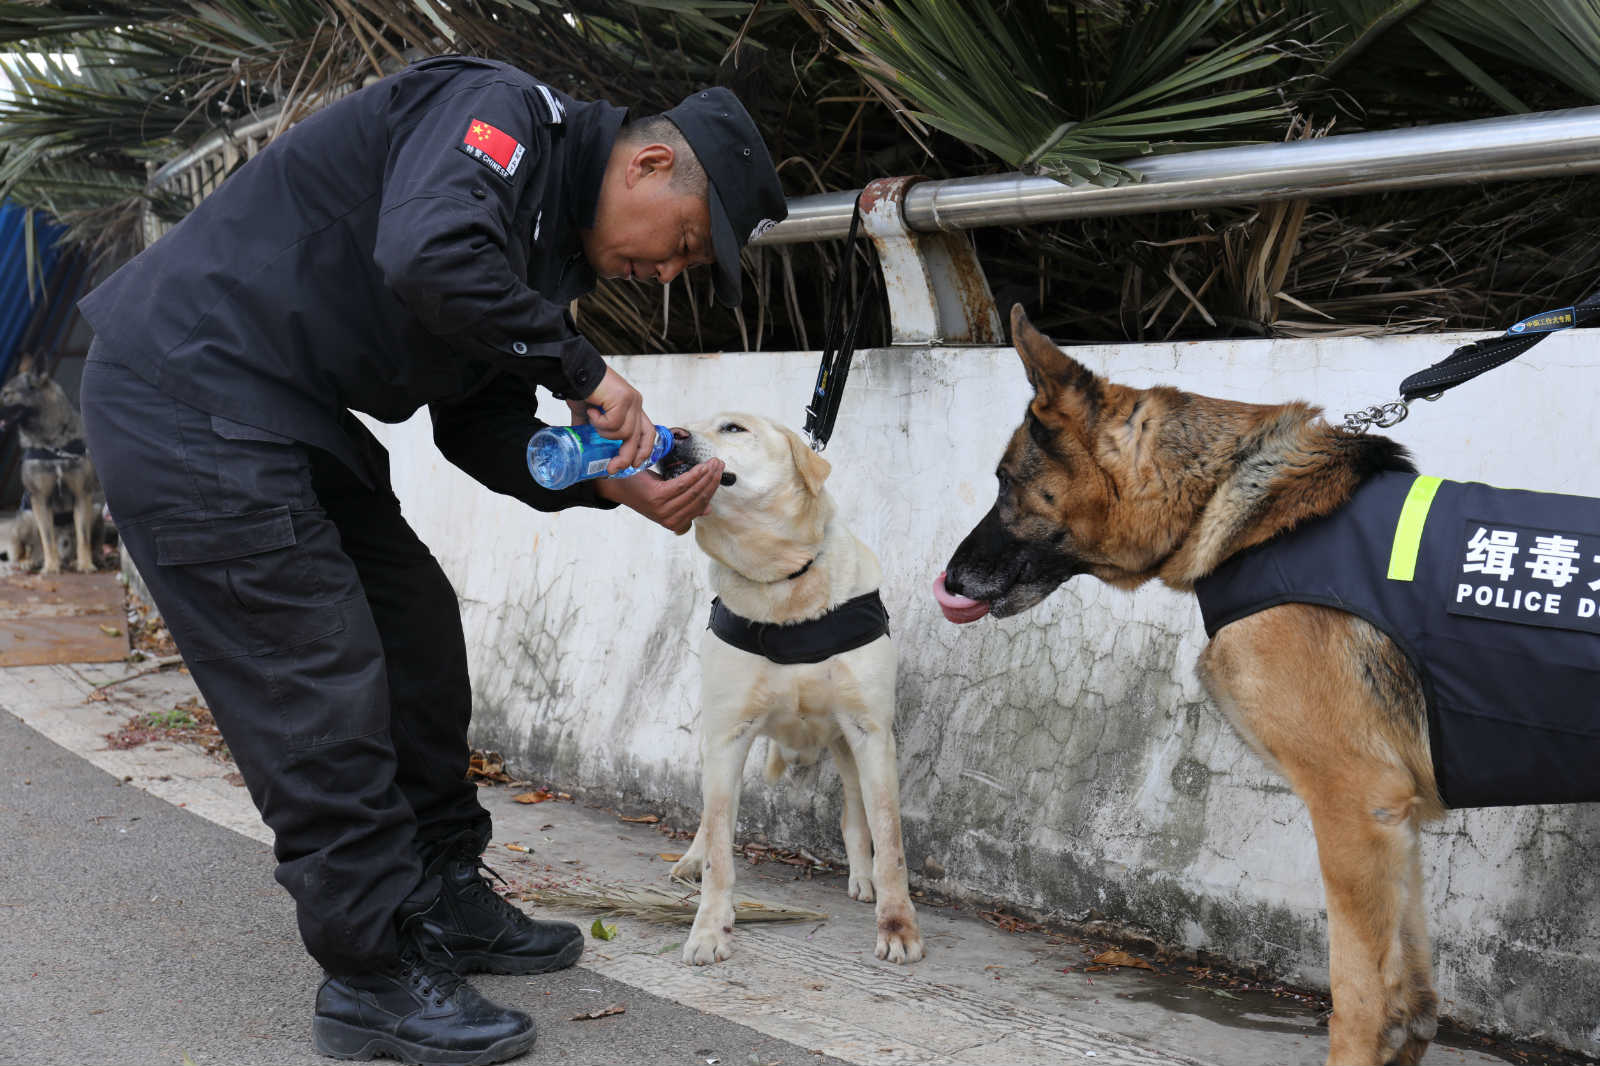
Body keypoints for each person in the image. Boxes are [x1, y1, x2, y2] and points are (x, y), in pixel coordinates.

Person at [75, 55, 786, 1065]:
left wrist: (606, 480)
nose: (671, 273)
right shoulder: (500, 114)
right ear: (652, 163)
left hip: (282, 410)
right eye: (682, 243)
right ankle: (370, 974)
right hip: (187, 390)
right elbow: (427, 253)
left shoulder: (541, 253)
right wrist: (583, 370)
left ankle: (443, 891)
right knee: (316, 673)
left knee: (411, 627)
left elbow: (479, 424)